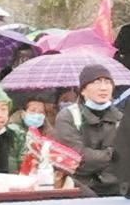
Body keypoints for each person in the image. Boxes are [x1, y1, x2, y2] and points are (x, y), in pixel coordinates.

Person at [52, 62, 123, 195]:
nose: (103, 88)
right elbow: (77, 159)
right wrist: (113, 154)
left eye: (107, 82)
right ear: (83, 90)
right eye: (96, 82)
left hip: (117, 188)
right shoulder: (68, 116)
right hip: (80, 188)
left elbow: (127, 156)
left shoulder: (121, 118)